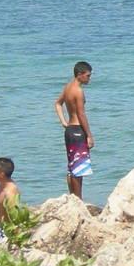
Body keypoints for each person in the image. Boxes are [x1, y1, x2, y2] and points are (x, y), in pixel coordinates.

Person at [54, 62, 94, 198]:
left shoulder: (67, 87)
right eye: (88, 75)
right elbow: (81, 114)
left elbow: (58, 104)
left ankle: (73, 197)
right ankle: (78, 199)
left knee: (72, 167)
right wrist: (89, 135)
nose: (89, 78)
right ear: (79, 74)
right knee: (79, 169)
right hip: (77, 130)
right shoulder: (78, 91)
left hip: (69, 130)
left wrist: (64, 122)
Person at [0, 157, 20, 237]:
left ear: (2, 174)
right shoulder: (1, 186)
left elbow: (15, 216)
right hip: (0, 227)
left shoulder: (10, 192)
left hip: (8, 231)